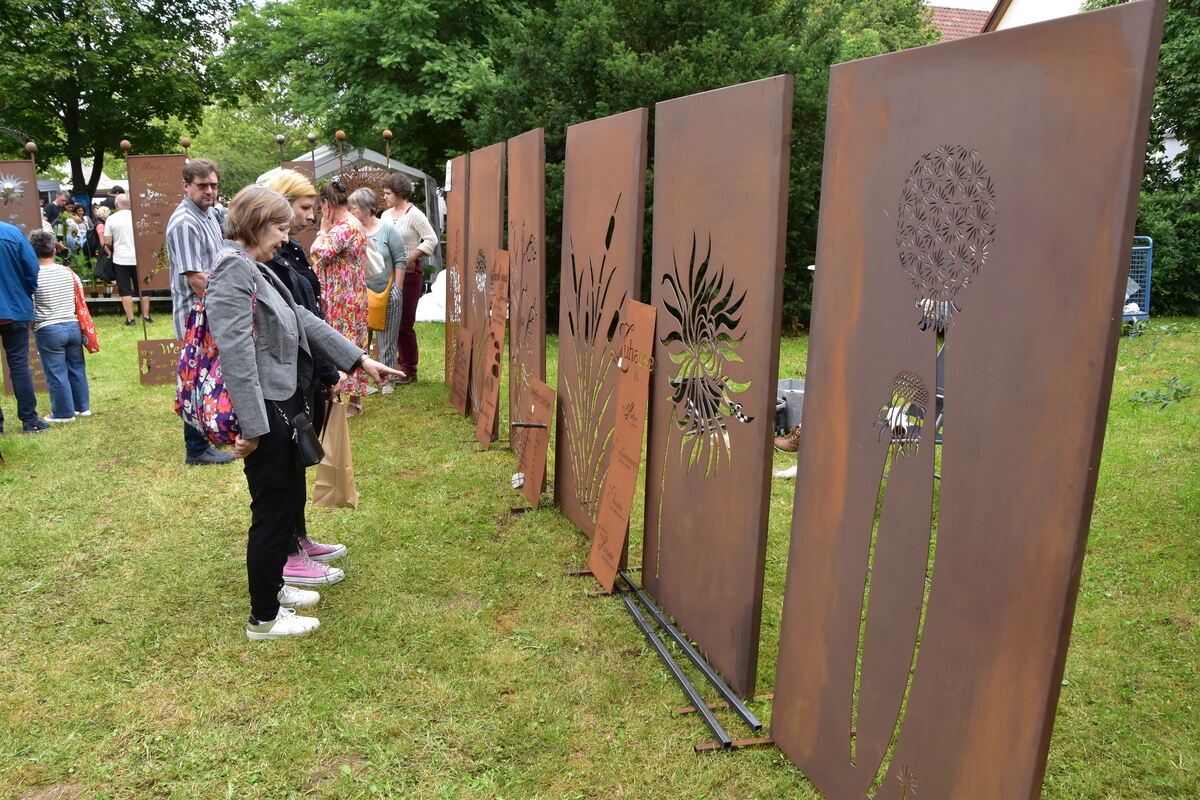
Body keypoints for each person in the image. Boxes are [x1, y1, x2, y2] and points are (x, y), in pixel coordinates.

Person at [206, 185, 400, 639]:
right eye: (279, 228)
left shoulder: (255, 266)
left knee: (289, 498)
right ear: (255, 223)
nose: (283, 238)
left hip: (284, 403)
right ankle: (264, 617)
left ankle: (276, 587)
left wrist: (359, 359)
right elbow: (236, 355)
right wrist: (253, 428)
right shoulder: (232, 270)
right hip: (267, 412)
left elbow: (300, 318)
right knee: (272, 510)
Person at [262, 169, 351, 585]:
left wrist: (332, 365)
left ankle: (297, 537)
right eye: (303, 208)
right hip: (287, 376)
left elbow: (308, 314)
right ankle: (287, 550)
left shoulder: (290, 253)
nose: (312, 216)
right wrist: (329, 366)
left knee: (301, 457)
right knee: (285, 465)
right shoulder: (263, 260)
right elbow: (292, 322)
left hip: (306, 372)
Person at [165, 157, 234, 466]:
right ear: (186, 186)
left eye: (214, 185)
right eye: (203, 185)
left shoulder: (208, 215)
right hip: (196, 314)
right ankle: (196, 448)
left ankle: (209, 434)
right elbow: (196, 278)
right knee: (196, 377)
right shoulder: (185, 222)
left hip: (210, 310)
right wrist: (227, 309)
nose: (210, 191)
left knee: (210, 375)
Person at [310, 180, 369, 415]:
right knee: (352, 340)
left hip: (341, 296)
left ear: (327, 204)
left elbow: (317, 253)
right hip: (349, 293)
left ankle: (349, 398)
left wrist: (322, 231)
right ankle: (350, 397)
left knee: (342, 342)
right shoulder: (353, 223)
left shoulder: (342, 228)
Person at [380, 173, 437, 385]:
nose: (385, 197)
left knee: (404, 323)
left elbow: (432, 238)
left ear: (399, 193)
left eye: (388, 193)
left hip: (410, 274)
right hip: (387, 273)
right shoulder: (385, 215)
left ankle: (409, 369)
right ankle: (389, 365)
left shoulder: (414, 215)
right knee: (387, 322)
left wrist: (414, 255)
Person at [348, 187, 406, 394]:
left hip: (386, 293)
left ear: (366, 208)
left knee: (387, 338)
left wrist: (397, 289)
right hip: (361, 295)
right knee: (362, 338)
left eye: (354, 207)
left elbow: (400, 259)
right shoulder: (352, 231)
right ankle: (362, 382)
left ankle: (387, 380)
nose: (351, 210)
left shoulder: (387, 230)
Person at [28, 230, 90, 423]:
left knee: (56, 372)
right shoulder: (68, 272)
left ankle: (63, 413)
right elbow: (79, 298)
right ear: (54, 249)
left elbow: (31, 306)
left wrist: (33, 325)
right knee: (77, 367)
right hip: (72, 325)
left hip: (48, 327)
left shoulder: (33, 276)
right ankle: (82, 407)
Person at [0, 221, 48, 434]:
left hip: (14, 305)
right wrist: (23, 292)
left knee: (20, 364)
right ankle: (30, 420)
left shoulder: (12, 233)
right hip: (14, 308)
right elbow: (32, 269)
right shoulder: (12, 233)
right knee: (19, 364)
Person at [102, 194, 152, 325]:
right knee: (143, 288)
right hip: (139, 258)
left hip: (121, 258)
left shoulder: (111, 219)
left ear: (116, 205)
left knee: (125, 289)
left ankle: (131, 319)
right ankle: (146, 316)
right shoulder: (139, 216)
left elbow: (107, 241)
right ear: (130, 204)